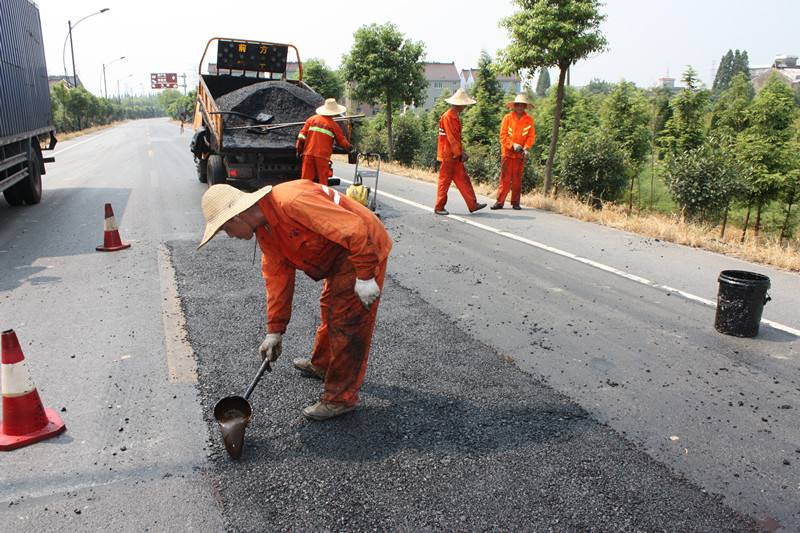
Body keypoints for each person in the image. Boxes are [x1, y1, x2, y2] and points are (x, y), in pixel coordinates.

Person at [197, 180, 392, 421]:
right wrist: (274, 331)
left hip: (362, 248)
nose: (230, 236)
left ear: (237, 217)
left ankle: (340, 399)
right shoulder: (265, 230)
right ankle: (323, 364)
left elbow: (355, 229)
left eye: (226, 229)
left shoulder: (292, 202)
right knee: (330, 307)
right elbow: (278, 278)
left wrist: (365, 276)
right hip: (338, 254)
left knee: (347, 322)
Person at [434, 89, 487, 216]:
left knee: (463, 179)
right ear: (459, 104)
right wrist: (460, 153)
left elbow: (455, 139)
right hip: (448, 155)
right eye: (464, 104)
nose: (465, 106)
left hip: (454, 154)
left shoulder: (454, 115)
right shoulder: (449, 116)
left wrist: (460, 152)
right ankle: (439, 207)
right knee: (444, 181)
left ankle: (472, 204)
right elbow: (451, 138)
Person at [491, 93, 535, 210]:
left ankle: (515, 202)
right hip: (507, 153)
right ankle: (499, 202)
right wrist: (512, 145)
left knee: (517, 179)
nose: (520, 107)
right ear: (514, 106)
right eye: (518, 105)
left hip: (520, 155)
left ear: (525, 107)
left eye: (522, 105)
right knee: (505, 178)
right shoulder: (507, 118)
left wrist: (526, 148)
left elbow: (531, 137)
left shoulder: (529, 120)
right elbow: (503, 135)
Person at [296, 98, 352, 186]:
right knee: (323, 182)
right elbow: (341, 141)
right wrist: (349, 147)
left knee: (305, 182)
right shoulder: (333, 125)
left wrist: (299, 149)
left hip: (308, 154)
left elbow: (301, 137)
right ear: (334, 112)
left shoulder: (311, 120)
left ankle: (304, 194)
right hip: (322, 157)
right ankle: (322, 195)